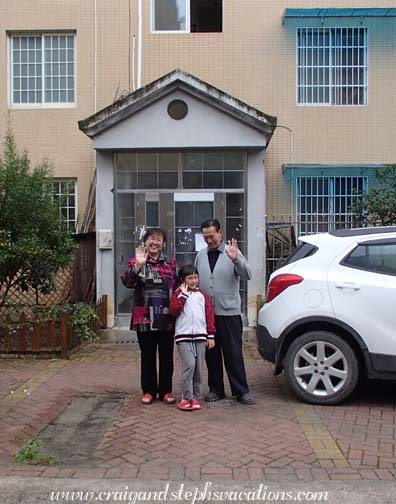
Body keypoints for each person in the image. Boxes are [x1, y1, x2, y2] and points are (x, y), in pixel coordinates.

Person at [194, 219, 255, 405]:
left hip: (229, 313)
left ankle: (241, 391)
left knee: (233, 353)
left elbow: (248, 275)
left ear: (220, 233)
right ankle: (216, 389)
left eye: (212, 236)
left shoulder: (232, 252)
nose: (209, 240)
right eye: (205, 237)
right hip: (208, 316)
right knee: (211, 354)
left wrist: (236, 259)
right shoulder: (201, 255)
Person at [121, 228, 177, 405]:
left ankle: (166, 391)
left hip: (166, 318)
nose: (155, 242)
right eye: (151, 239)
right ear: (145, 242)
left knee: (167, 356)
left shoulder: (170, 263)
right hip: (144, 318)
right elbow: (128, 282)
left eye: (159, 239)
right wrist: (138, 265)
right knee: (148, 356)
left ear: (163, 243)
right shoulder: (135, 261)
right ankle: (149, 391)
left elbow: (177, 288)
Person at [169, 265, 216, 411]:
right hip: (183, 336)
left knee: (198, 368)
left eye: (195, 277)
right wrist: (182, 295)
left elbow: (209, 316)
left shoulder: (202, 296)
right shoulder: (178, 294)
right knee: (188, 365)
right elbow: (174, 311)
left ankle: (195, 397)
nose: (194, 280)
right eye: (190, 278)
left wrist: (210, 335)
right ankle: (186, 397)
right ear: (183, 280)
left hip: (201, 337)